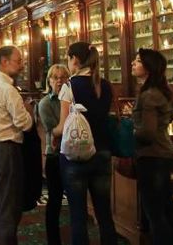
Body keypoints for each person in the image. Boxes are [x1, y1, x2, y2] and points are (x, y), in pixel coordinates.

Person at [52, 42, 117, 245]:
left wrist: (51, 132)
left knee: (78, 215)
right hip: (103, 152)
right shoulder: (105, 85)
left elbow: (62, 128)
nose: (68, 63)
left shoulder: (69, 87)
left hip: (76, 156)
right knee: (104, 214)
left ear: (75, 60)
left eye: (68, 58)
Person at [0, 46, 33, 245]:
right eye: (18, 61)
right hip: (7, 151)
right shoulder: (8, 90)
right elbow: (24, 124)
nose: (22, 65)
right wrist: (28, 112)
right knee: (9, 208)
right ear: (4, 61)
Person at [131, 48, 173, 245]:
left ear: (149, 67)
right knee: (166, 208)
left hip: (152, 157)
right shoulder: (158, 92)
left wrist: (129, 132)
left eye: (137, 61)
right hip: (162, 155)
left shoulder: (149, 95)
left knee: (155, 212)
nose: (133, 64)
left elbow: (148, 132)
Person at [37, 64, 69, 245]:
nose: (59, 81)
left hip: (73, 154)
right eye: (55, 77)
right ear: (49, 81)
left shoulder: (72, 99)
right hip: (54, 156)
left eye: (63, 77)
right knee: (55, 200)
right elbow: (54, 131)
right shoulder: (45, 103)